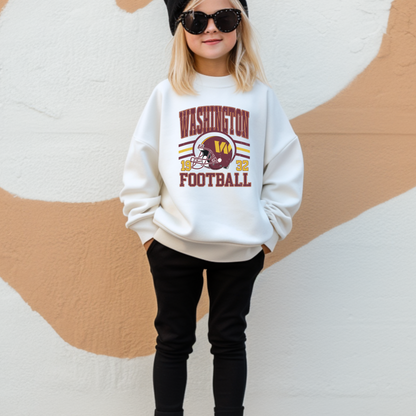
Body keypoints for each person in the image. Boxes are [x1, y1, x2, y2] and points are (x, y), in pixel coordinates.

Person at [119, 0, 304, 414]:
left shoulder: (260, 98)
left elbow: (285, 166)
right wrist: (148, 233)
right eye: (196, 19)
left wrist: (269, 231)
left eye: (224, 17)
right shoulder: (167, 95)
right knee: (172, 340)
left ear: (241, 25)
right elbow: (141, 164)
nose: (210, 28)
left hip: (241, 247)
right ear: (180, 28)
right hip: (173, 243)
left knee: (229, 339)